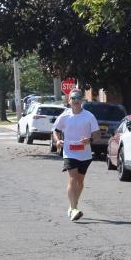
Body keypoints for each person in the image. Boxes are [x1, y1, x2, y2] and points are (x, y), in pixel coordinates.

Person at [52, 90, 100, 221]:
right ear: (69, 100)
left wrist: (89, 140)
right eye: (73, 98)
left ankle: (72, 205)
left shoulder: (89, 116)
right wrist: (58, 140)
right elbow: (55, 130)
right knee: (73, 178)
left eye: (78, 97)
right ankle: (73, 209)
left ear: (82, 100)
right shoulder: (64, 116)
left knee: (80, 182)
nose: (76, 100)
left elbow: (97, 134)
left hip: (85, 154)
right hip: (69, 152)